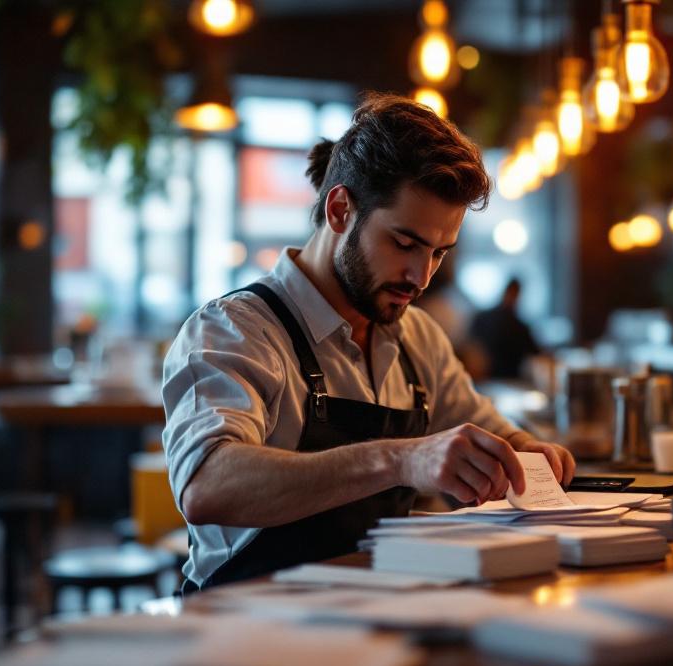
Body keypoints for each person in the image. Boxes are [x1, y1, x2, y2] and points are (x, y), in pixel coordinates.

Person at [162, 94, 576, 591]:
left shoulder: (416, 337)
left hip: (375, 615)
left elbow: (484, 429)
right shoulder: (236, 330)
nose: (420, 277)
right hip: (244, 633)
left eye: (439, 253)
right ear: (340, 210)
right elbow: (207, 485)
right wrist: (401, 459)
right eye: (404, 244)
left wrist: (526, 453)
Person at [468, 278, 540, 380]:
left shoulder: (483, 317)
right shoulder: (518, 326)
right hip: (495, 378)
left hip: (495, 379)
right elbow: (472, 349)